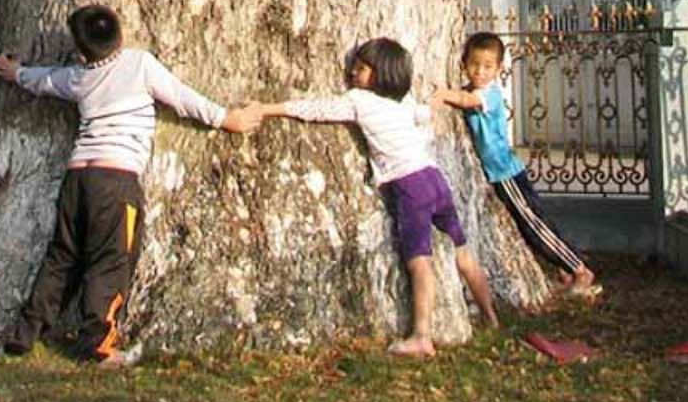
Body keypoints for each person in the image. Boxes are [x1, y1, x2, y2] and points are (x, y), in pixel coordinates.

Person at [0, 4, 262, 364]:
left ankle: (25, 333)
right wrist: (227, 118)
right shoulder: (139, 64)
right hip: (115, 180)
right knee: (111, 260)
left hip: (78, 176)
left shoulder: (79, 77)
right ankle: (97, 344)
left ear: (81, 51)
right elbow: (182, 98)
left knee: (62, 256)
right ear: (119, 35)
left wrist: (14, 71)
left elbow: (45, 79)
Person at [255, 37, 498, 355]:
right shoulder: (404, 100)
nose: (354, 73)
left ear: (380, 73)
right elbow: (422, 116)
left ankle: (422, 335)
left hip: (409, 185)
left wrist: (270, 108)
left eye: (361, 68)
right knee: (462, 251)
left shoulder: (359, 100)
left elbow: (316, 109)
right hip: (434, 177)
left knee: (419, 261)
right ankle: (491, 316)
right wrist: (432, 105)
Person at [432, 30, 600, 299]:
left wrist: (442, 95)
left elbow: (468, 101)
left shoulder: (490, 94)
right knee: (529, 226)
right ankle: (567, 271)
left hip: (505, 173)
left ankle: (580, 270)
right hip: (499, 173)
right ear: (464, 63)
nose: (480, 71)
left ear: (498, 69)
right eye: (474, 64)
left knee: (534, 225)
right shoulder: (473, 89)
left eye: (488, 66)